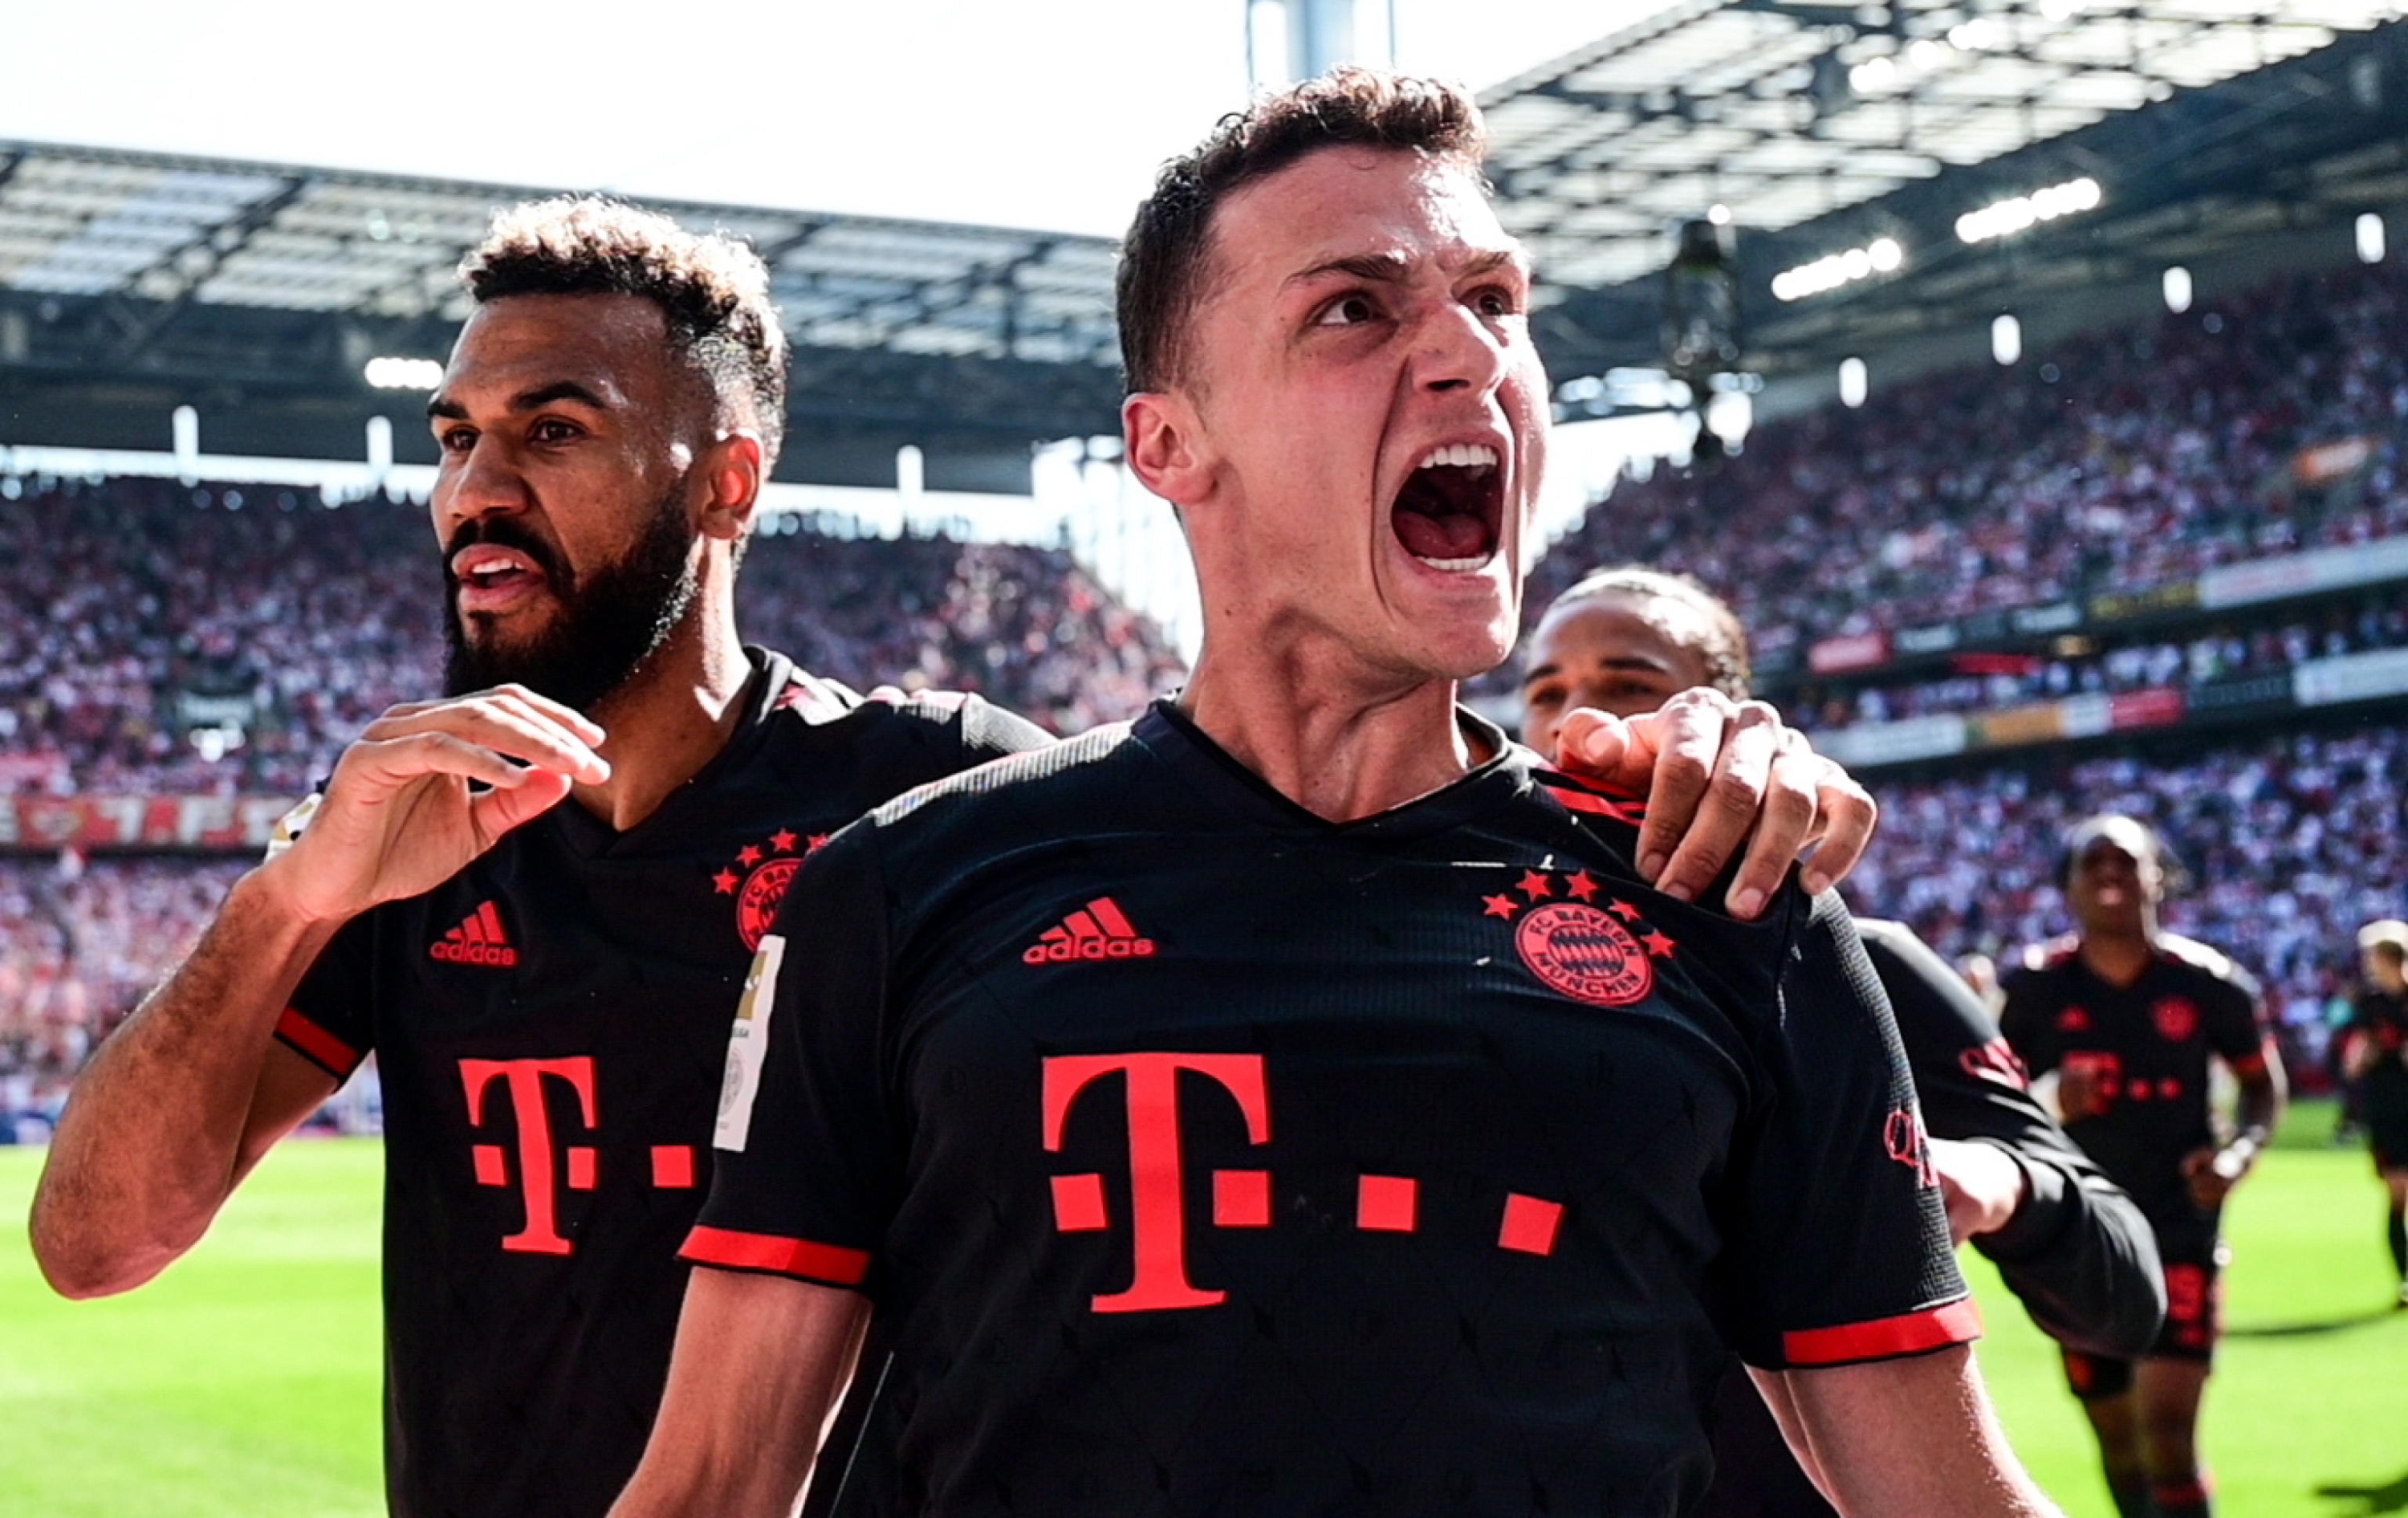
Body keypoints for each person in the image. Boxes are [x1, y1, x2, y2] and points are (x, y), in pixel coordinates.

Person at [26, 200, 1868, 1517]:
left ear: (725, 480)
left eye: (552, 432)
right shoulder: (406, 843)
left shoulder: (949, 820)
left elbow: (1359, 879)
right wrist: (292, 894)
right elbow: (95, 1242)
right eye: (455, 437)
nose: (469, 489)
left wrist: (1674, 767)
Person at [611, 71, 2058, 1518]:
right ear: (1169, 444)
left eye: (1495, 300)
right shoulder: (902, 892)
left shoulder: (1727, 894)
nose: (1471, 356)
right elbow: (714, 1486)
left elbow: (1946, 1498)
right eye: (1355, 309)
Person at [1519, 564, 2168, 1518]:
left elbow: (2126, 1294)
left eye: (1628, 683)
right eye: (1545, 692)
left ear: (1735, 723)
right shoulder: (1472, 971)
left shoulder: (1847, 968)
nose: (1576, 722)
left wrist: (1996, 1178)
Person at [2000, 815, 2286, 1518]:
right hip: (2076, 1239)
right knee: (2120, 1443)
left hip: (2180, 1229)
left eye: (2127, 861)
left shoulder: (2209, 984)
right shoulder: (2036, 990)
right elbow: (1990, 1103)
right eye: (2090, 862)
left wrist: (2239, 1152)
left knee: (2167, 1436)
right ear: (2065, 886)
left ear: (2158, 875)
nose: (2109, 874)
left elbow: (2260, 1082)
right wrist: (2048, 1096)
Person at [2339, 918, 2408, 1306]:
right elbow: (2357, 1057)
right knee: (2398, 1193)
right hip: (2386, 1109)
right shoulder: (2369, 1003)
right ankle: (2405, 1279)